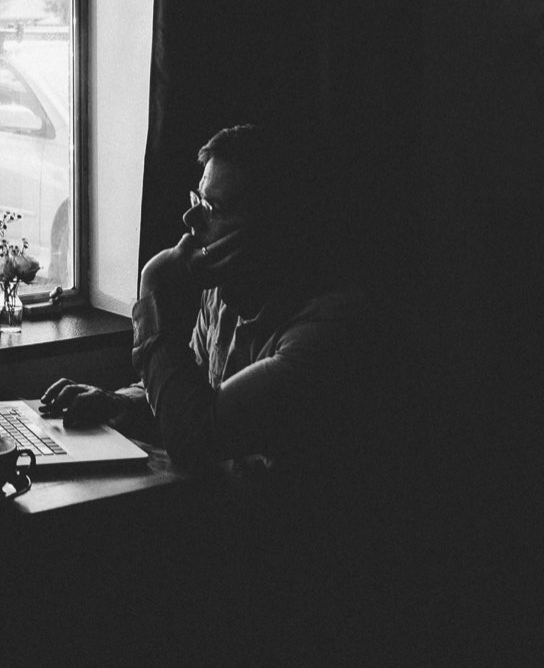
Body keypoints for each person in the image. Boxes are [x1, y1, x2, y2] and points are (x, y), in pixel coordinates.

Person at [39, 123, 381, 477]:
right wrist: (117, 403)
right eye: (197, 200)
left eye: (213, 207)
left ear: (273, 227)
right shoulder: (221, 296)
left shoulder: (326, 331)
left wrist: (153, 286)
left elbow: (194, 436)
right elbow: (188, 396)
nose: (190, 219)